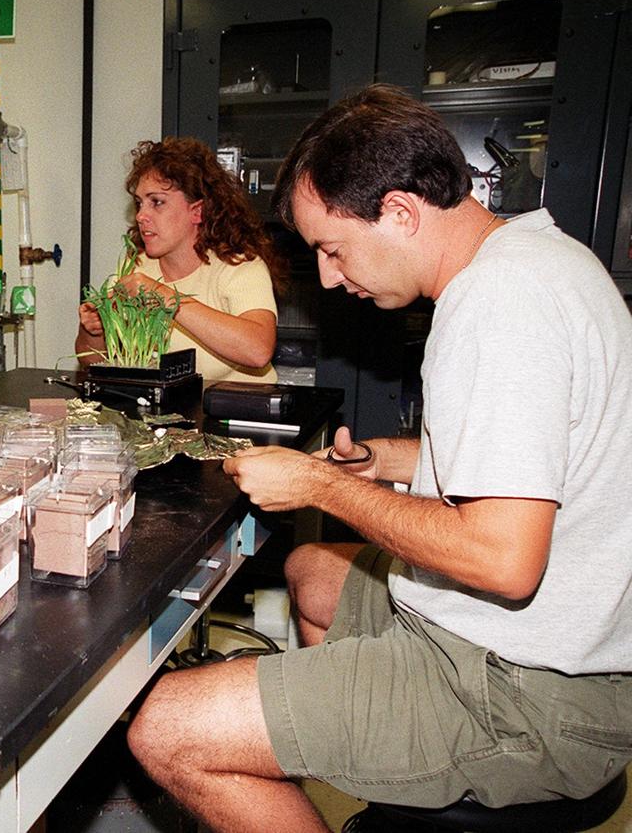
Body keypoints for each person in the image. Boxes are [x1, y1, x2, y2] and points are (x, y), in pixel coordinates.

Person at [126, 84, 632, 832]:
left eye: (333, 249)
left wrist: (317, 486)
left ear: (399, 212)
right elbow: (532, 455)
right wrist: (386, 460)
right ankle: (378, 762)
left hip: (529, 689)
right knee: (310, 573)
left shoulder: (499, 308)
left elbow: (503, 559)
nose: (331, 278)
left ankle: (387, 745)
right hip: (534, 638)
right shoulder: (534, 256)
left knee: (165, 730)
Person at [75, 137, 286, 382]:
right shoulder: (137, 267)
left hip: (238, 411)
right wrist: (93, 329)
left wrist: (163, 296)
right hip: (168, 412)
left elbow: (258, 350)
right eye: (139, 203)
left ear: (197, 211)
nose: (142, 215)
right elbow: (90, 360)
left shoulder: (240, 266)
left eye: (157, 202)